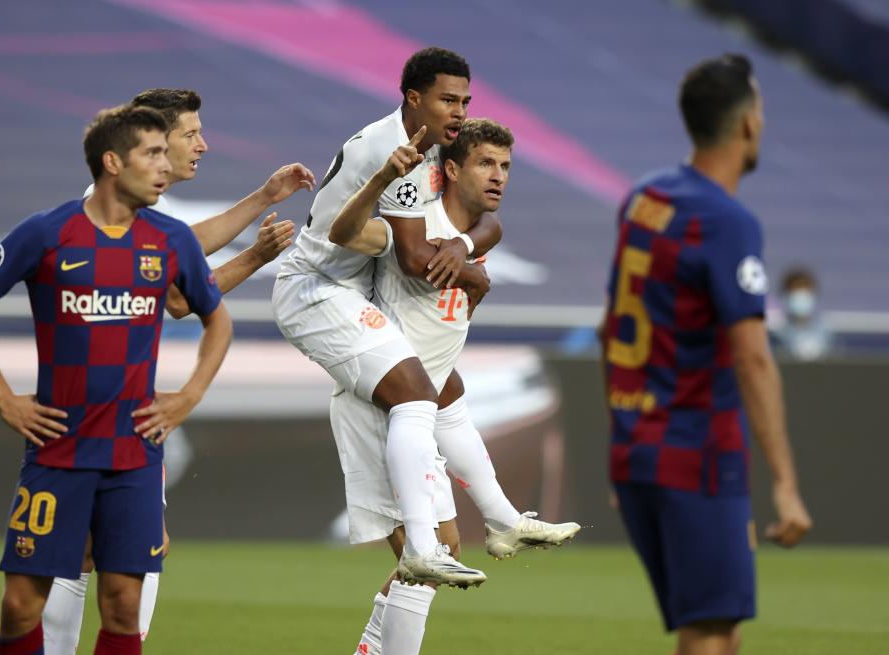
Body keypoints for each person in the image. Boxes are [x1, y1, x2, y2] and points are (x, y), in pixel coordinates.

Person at [0, 104, 233, 655]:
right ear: (111, 162)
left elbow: (214, 316)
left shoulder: (170, 240)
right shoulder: (48, 233)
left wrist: (189, 395)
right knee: (19, 607)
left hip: (134, 453)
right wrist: (4, 399)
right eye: (151, 154)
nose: (164, 167)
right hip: (57, 449)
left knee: (124, 607)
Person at [42, 88, 313, 654]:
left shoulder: (124, 206)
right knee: (135, 546)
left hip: (100, 401)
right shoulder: (114, 214)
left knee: (92, 549)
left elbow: (180, 253)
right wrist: (254, 256)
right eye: (191, 135)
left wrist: (263, 198)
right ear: (156, 142)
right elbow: (180, 298)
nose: (203, 145)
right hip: (105, 405)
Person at [329, 118, 581, 655]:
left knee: (440, 546)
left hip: (425, 392)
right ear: (450, 169)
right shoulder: (409, 222)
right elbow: (374, 242)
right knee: (423, 558)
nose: (499, 176)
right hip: (385, 408)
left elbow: (485, 236)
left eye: (506, 166)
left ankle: (501, 521)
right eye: (486, 163)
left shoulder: (480, 231)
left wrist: (465, 254)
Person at [600, 54, 812, 655]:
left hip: (638, 450)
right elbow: (752, 358)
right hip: (696, 453)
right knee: (712, 634)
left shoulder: (644, 198)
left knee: (715, 627)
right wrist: (787, 485)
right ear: (747, 124)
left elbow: (607, 330)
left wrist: (626, 436)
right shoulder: (726, 221)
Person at [272, 46, 501, 586]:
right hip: (320, 289)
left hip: (362, 295)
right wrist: (471, 271)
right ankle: (444, 535)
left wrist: (465, 247)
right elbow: (417, 259)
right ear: (413, 98)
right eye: (449, 99)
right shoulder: (399, 151)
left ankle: (478, 526)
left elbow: (482, 220)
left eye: (466, 100)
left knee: (439, 392)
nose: (460, 111)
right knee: (422, 394)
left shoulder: (425, 148)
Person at [774, 267, 833, 360]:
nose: (800, 297)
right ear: (785, 296)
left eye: (804, 292)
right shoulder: (776, 336)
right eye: (795, 292)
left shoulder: (828, 334)